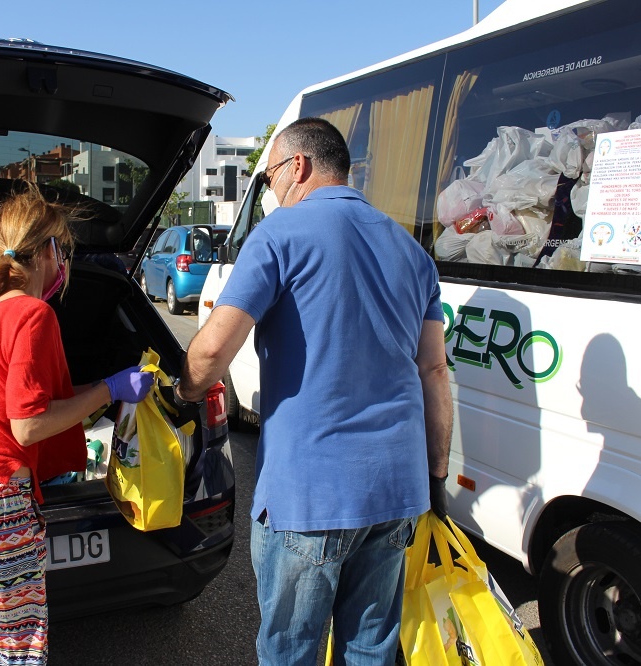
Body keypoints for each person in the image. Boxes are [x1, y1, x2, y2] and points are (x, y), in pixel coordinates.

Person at [174, 118, 453, 665]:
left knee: (291, 652)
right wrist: (437, 478)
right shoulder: (413, 253)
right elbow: (435, 372)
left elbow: (209, 353)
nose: (274, 189)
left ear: (298, 166)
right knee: (369, 650)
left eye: (273, 174)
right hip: (395, 490)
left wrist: (183, 390)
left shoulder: (279, 233)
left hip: (310, 495)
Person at [0, 185, 153, 666]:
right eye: (62, 248)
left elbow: (12, 399)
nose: (64, 261)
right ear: (48, 250)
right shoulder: (33, 314)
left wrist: (99, 387)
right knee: (19, 652)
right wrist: (109, 389)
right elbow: (26, 425)